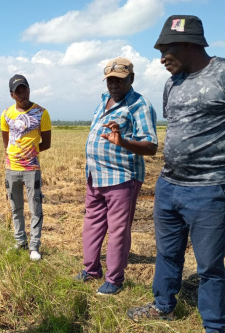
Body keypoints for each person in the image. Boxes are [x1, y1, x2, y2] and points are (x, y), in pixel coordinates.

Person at [127, 15, 225, 333]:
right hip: (169, 185)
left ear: (190, 43)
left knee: (209, 266)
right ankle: (163, 305)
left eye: (165, 48)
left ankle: (215, 329)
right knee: (167, 253)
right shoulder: (172, 83)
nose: (160, 57)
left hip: (210, 190)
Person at [75, 57, 158, 295]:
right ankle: (91, 270)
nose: (113, 85)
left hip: (122, 178)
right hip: (95, 175)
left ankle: (114, 279)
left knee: (118, 229)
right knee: (92, 223)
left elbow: (151, 146)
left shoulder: (139, 105)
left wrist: (122, 141)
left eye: (119, 80)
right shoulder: (104, 101)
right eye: (110, 80)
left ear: (131, 79)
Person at [0, 74, 52, 261]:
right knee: (16, 208)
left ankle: (34, 247)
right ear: (12, 94)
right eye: (18, 91)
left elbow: (46, 143)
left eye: (25, 89)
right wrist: (16, 155)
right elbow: (6, 143)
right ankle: (20, 241)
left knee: (35, 209)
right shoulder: (6, 114)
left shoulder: (41, 113)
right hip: (11, 169)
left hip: (32, 170)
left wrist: (29, 154)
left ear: (29, 89)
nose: (23, 94)